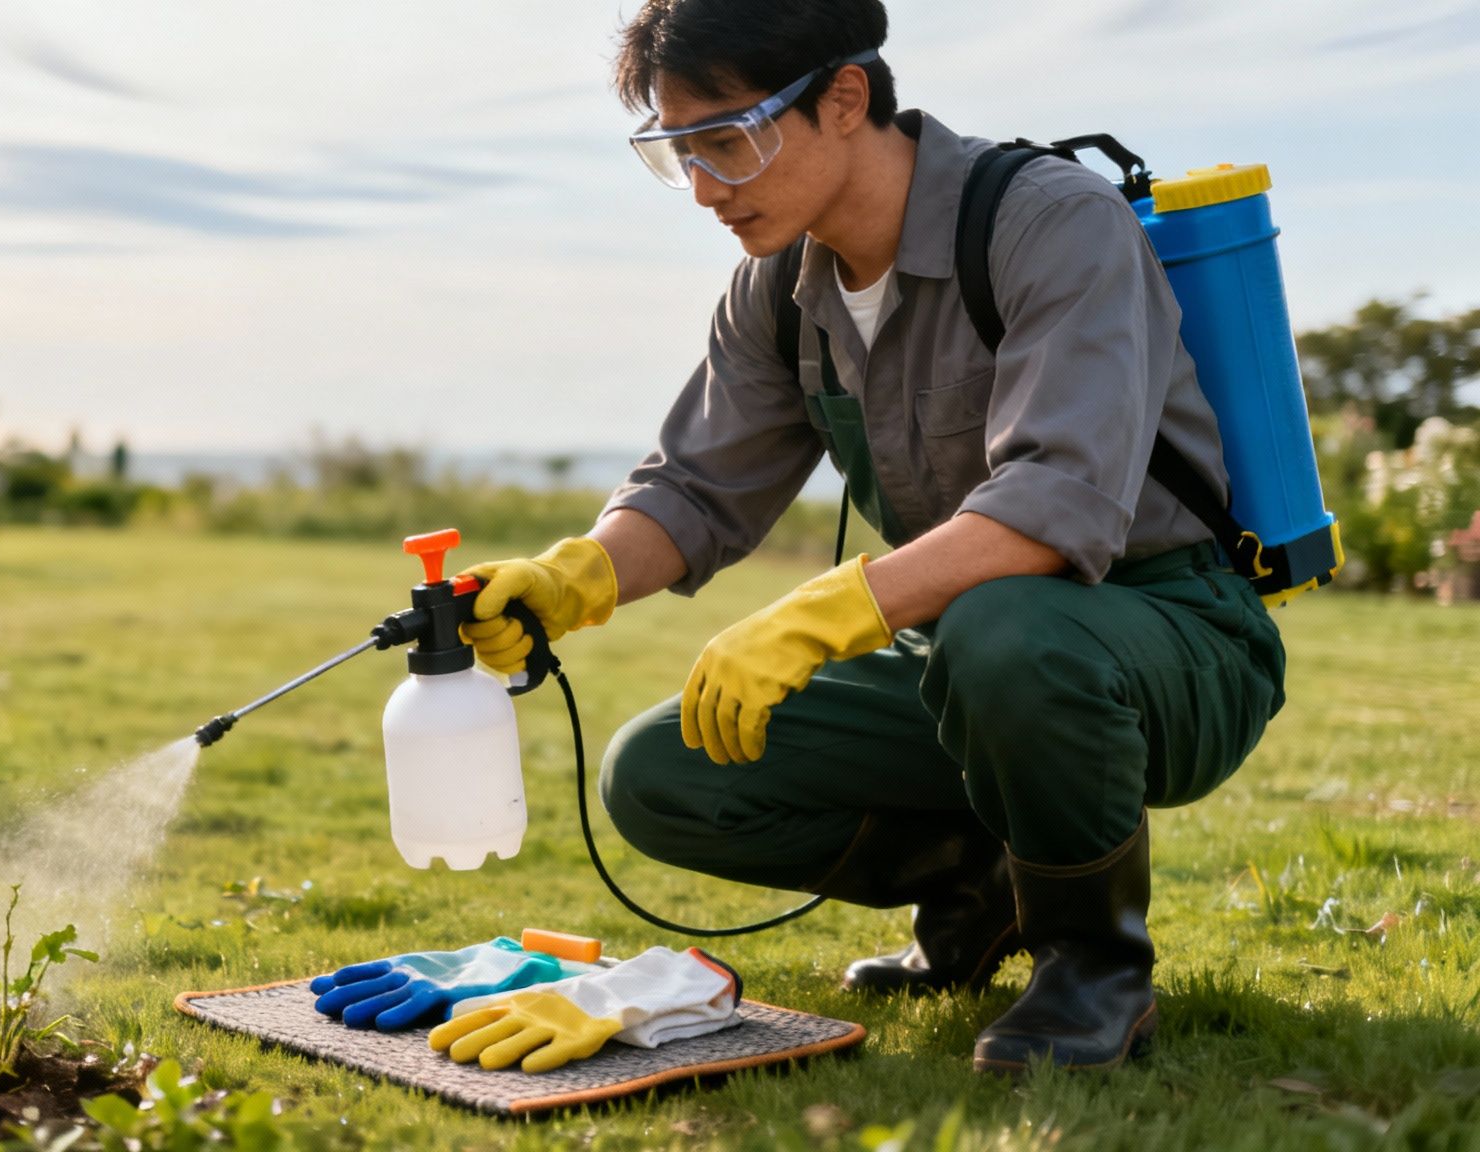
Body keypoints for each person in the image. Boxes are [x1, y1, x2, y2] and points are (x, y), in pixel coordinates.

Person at [458, 0, 1287, 1074]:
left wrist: (830, 606)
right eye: (676, 153)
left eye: (727, 140)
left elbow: (1058, 500)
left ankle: (1090, 969)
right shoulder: (777, 292)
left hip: (1169, 631)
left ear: (843, 97)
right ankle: (980, 886)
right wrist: (570, 576)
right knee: (661, 773)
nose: (705, 188)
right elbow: (692, 489)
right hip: (959, 647)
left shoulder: (1049, 223)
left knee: (1006, 633)